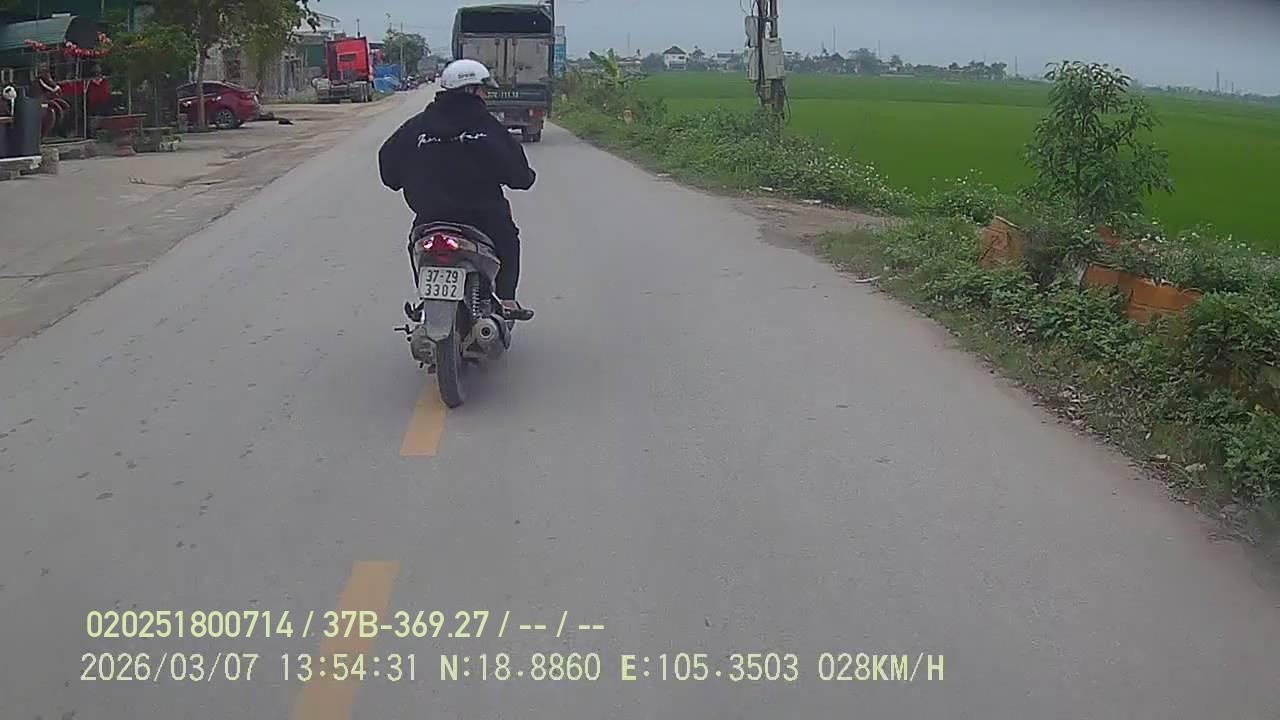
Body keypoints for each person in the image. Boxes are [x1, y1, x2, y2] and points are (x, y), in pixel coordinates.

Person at [378, 59, 536, 321]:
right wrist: (523, 176)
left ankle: (426, 299)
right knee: (508, 240)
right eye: (483, 89)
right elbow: (520, 176)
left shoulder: (416, 127)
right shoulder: (487, 128)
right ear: (470, 90)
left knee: (415, 245)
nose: (485, 95)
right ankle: (507, 300)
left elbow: (388, 170)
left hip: (431, 217)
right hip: (483, 218)